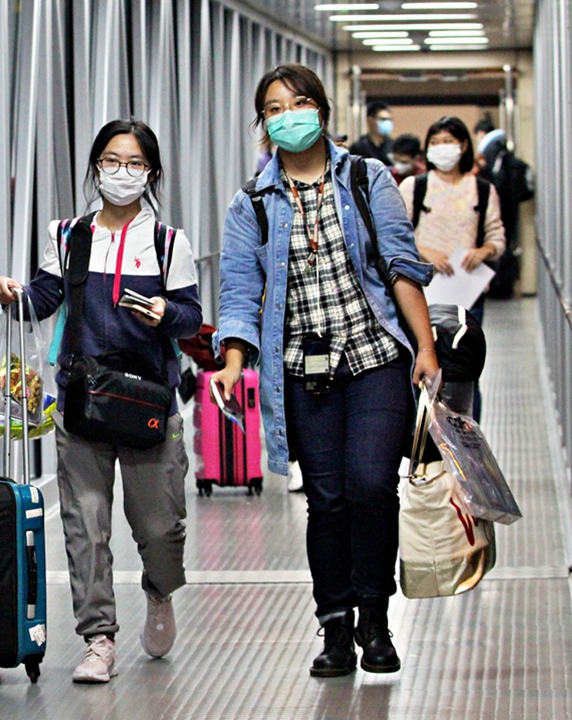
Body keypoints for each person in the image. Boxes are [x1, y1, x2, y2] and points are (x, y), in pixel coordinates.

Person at [213, 64, 438, 678]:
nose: (290, 115)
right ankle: (336, 628)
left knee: (371, 484)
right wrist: (233, 362)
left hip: (374, 358)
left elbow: (400, 265)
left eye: (301, 102)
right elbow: (238, 290)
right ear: (265, 124)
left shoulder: (368, 178)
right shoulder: (252, 204)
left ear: (322, 110)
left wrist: (425, 348)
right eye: (275, 107)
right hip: (301, 372)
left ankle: (376, 616)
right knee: (328, 499)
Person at [0, 119, 202, 684]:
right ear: (95, 167)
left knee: (159, 527)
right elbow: (43, 299)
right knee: (85, 523)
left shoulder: (166, 241)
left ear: (151, 173)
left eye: (134, 164)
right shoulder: (67, 236)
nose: (121, 173)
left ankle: (160, 592)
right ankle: (98, 638)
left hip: (149, 403)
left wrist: (165, 313)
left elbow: (190, 317)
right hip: (81, 399)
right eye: (111, 161)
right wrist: (16, 296)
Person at [400, 116, 506, 420]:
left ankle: (466, 434)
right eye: (434, 143)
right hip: (421, 292)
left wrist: (484, 251)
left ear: (463, 146)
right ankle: (423, 440)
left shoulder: (482, 190)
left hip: (468, 294)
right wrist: (424, 251)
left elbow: (497, 236)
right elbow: (396, 234)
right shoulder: (414, 187)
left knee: (465, 372)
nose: (440, 148)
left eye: (447, 141)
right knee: (420, 366)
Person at [473, 119, 534, 299]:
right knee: (506, 243)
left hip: (500, 206)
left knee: (499, 244)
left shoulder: (490, 149)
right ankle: (503, 284)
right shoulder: (502, 148)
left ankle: (500, 286)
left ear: (480, 133)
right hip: (509, 205)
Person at [349, 101, 394, 165]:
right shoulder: (359, 147)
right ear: (370, 120)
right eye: (383, 119)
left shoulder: (393, 146)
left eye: (389, 119)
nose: (387, 123)